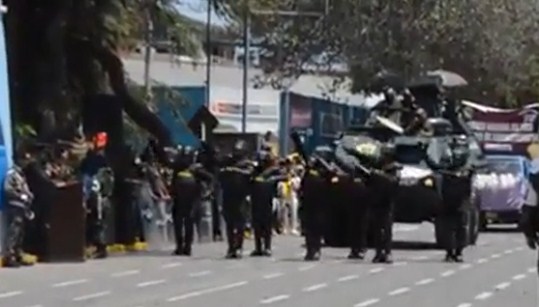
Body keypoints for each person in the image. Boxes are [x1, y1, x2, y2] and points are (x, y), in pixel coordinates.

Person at [434, 135, 473, 262]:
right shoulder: (446, 162)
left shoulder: (467, 167)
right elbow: (437, 169)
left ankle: (457, 251)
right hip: (449, 201)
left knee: (459, 227)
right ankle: (451, 252)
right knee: (450, 228)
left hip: (459, 201)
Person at [171, 146, 212, 256]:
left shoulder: (192, 170)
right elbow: (210, 178)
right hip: (186, 201)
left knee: (182, 222)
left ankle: (183, 246)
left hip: (186, 200)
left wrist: (206, 191)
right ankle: (184, 247)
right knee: (185, 222)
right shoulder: (191, 170)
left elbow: (210, 179)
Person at [218, 140, 255, 258]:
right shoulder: (228, 162)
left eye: (239, 151)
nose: (236, 153)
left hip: (241, 196)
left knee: (240, 224)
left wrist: (236, 170)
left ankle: (239, 246)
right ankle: (231, 247)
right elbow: (219, 171)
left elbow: (250, 173)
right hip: (228, 195)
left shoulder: (247, 164)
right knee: (229, 223)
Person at [250, 151, 286, 256]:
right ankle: (258, 247)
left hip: (268, 200)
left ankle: (267, 247)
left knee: (267, 225)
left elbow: (284, 175)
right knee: (257, 225)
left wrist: (273, 179)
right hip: (255, 200)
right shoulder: (255, 171)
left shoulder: (273, 171)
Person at [3, 150, 35, 267]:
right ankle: (9, 255)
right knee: (14, 232)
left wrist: (29, 195)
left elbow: (24, 188)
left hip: (23, 206)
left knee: (20, 232)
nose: (26, 162)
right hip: (15, 205)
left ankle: (17, 253)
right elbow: (8, 189)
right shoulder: (12, 173)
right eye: (24, 159)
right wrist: (20, 195)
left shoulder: (21, 174)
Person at [276, 159, 301, 235]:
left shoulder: (295, 175)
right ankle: (284, 227)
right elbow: (278, 184)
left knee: (294, 212)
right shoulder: (281, 174)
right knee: (283, 212)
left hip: (292, 194)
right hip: (284, 195)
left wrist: (293, 182)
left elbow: (297, 186)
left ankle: (294, 228)